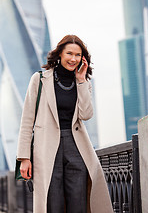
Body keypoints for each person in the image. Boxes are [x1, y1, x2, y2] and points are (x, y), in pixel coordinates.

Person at [16, 35, 113, 213]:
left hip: (76, 146)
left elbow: (86, 114)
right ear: (59, 53)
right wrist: (24, 157)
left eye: (78, 55)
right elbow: (27, 120)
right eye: (69, 53)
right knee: (52, 202)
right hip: (46, 146)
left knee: (78, 202)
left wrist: (82, 80)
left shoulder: (82, 82)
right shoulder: (39, 79)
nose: (73, 59)